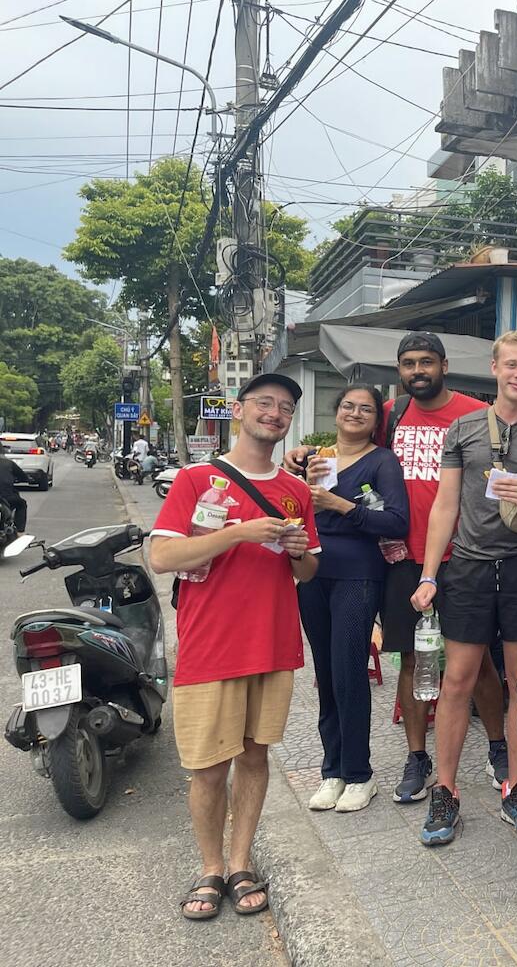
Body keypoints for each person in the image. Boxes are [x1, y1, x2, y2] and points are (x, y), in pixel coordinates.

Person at [283, 332, 504, 806]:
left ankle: (499, 746)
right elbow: (347, 446)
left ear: (444, 365)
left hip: (462, 553)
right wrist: (300, 454)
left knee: (477, 659)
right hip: (404, 557)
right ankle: (416, 756)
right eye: (408, 364)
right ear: (399, 370)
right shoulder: (390, 414)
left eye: (427, 362)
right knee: (410, 657)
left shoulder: (472, 412)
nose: (418, 371)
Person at [148, 373, 320, 921]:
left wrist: (296, 550)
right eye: (264, 403)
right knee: (206, 768)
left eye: (285, 407)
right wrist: (239, 534)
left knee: (254, 755)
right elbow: (162, 559)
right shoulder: (196, 479)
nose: (275, 414)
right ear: (240, 410)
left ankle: (242, 860)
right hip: (211, 645)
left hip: (273, 643)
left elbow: (309, 572)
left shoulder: (295, 492)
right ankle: (210, 868)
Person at [411, 329, 517, 844]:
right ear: (495, 367)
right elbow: (445, 505)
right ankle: (445, 790)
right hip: (469, 567)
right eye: (511, 365)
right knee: (457, 679)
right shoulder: (463, 428)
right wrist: (429, 573)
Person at [299, 384, 409, 813]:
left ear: (376, 422)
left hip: (359, 576)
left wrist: (340, 505)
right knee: (325, 672)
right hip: (311, 573)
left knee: (349, 670)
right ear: (336, 411)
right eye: (348, 406)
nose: (356, 413)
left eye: (366, 409)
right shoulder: (316, 457)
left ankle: (360, 774)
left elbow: (396, 521)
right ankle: (333, 771)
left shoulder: (383, 461)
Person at [0, 445, 30, 533]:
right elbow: (23, 476)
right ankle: (20, 532)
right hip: (6, 497)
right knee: (22, 504)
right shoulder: (8, 463)